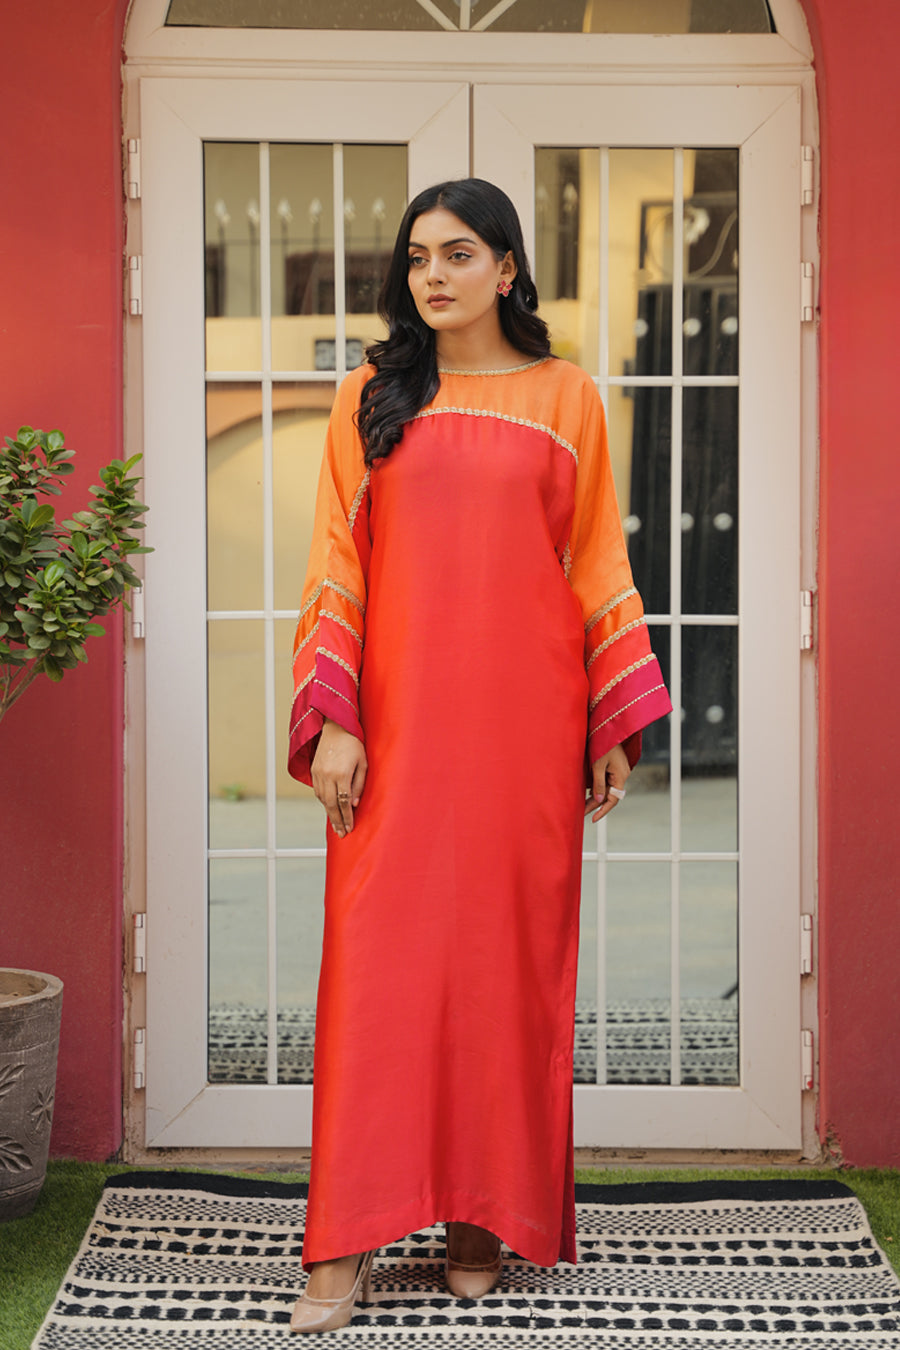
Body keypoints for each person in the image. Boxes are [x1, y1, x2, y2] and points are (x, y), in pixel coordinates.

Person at [286, 178, 671, 1334]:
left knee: (505, 967)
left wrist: (609, 721)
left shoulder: (566, 396)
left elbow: (597, 559)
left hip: (524, 727)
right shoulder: (370, 397)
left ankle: (477, 1215)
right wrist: (337, 720)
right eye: (416, 259)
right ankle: (342, 1246)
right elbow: (333, 566)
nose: (434, 277)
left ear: (508, 268)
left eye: (459, 254)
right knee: (376, 971)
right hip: (396, 726)